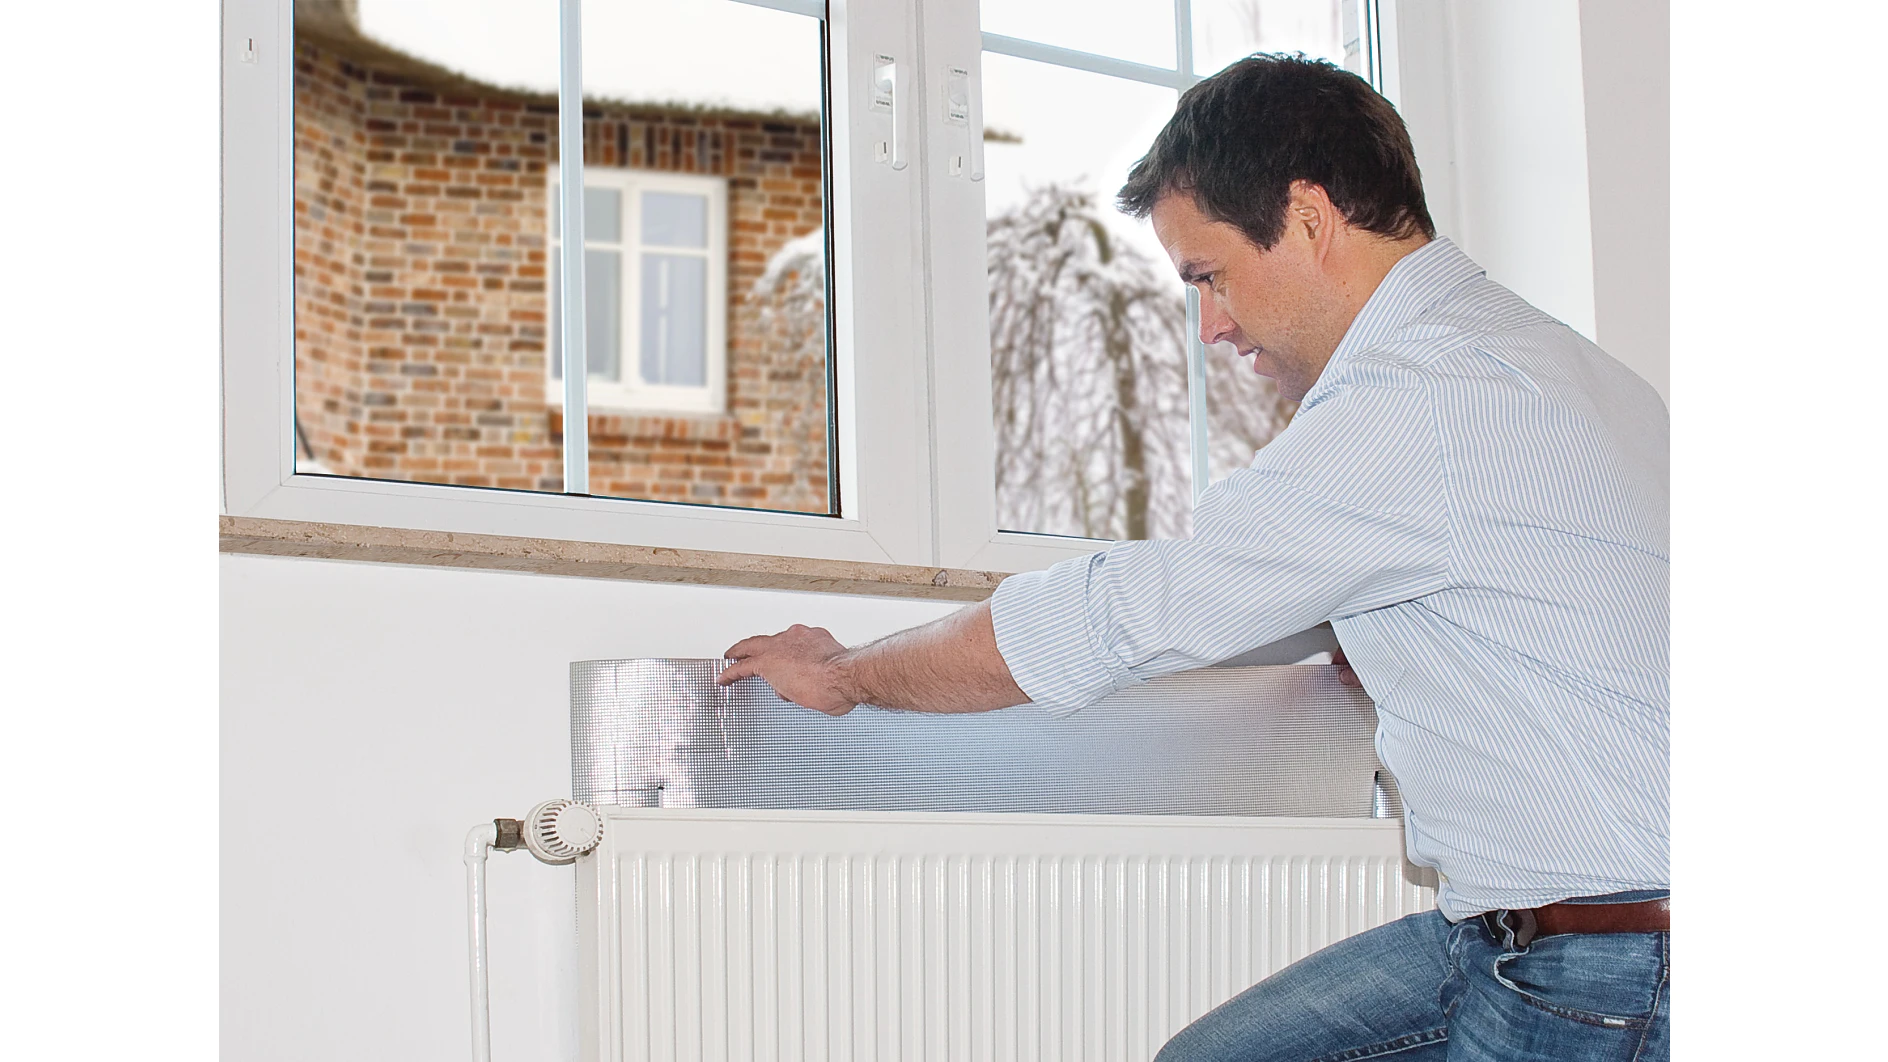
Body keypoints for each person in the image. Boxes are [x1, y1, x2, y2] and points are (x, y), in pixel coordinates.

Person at [718, 54, 1669, 1062]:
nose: (1211, 326)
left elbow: (1117, 618)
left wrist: (845, 674)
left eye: (1209, 275)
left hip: (1613, 961)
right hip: (1527, 930)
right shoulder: (1556, 362)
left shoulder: (1412, 396)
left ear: (1307, 218)